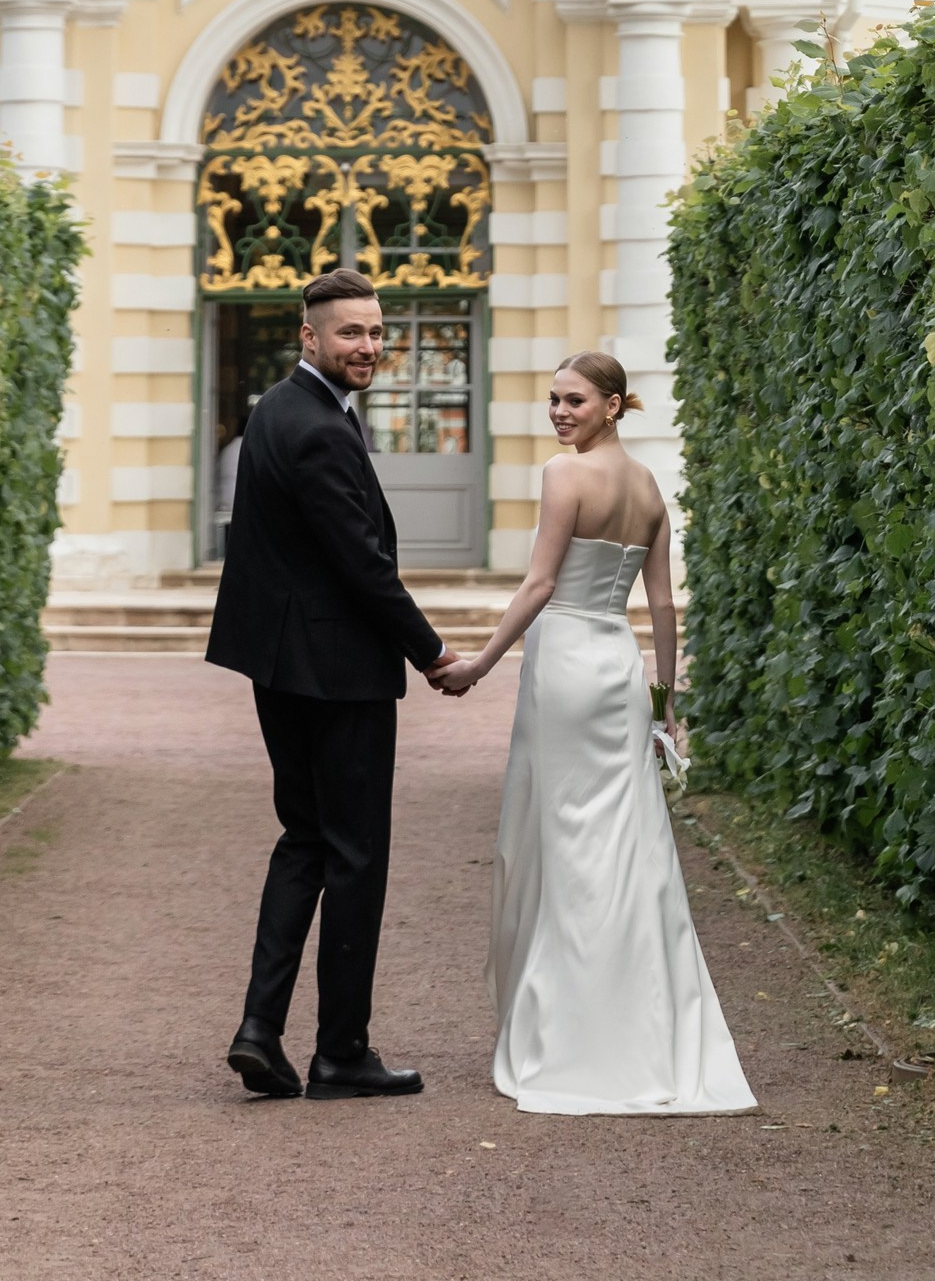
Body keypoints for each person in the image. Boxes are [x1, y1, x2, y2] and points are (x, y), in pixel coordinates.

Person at [434, 352, 757, 1117]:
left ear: (613, 404)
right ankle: (640, 1021)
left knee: (565, 844)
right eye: (552, 400)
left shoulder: (562, 475)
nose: (558, 412)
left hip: (567, 666)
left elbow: (542, 584)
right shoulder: (648, 489)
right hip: (617, 666)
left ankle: (569, 1029)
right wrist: (664, 705)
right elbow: (663, 610)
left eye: (573, 400)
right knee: (627, 845)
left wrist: (478, 663)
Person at [206, 272, 460, 1101]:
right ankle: (341, 1053)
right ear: (308, 337)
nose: (369, 348)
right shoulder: (315, 426)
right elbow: (362, 563)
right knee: (355, 855)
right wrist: (429, 652)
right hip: (335, 671)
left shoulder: (276, 411)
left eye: (377, 333)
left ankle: (258, 1030)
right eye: (351, 333)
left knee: (305, 839)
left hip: (280, 667)